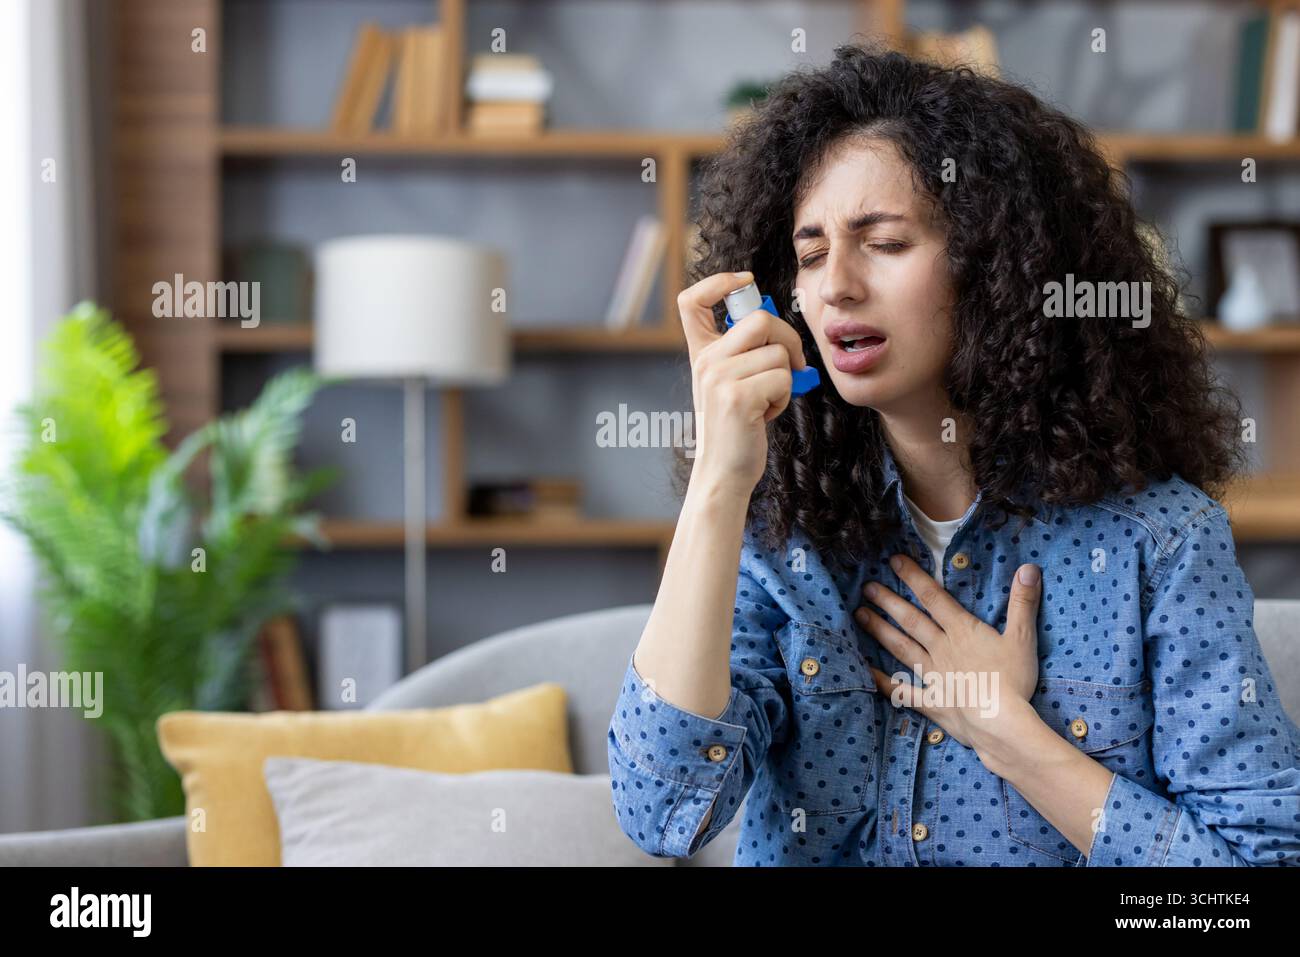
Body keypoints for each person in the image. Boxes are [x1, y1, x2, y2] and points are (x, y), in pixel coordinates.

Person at [606, 43, 1300, 866]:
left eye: (885, 242)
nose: (836, 286)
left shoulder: (1162, 542)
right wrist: (720, 482)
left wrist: (1009, 733)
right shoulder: (780, 535)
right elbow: (660, 812)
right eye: (813, 251)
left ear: (996, 264)